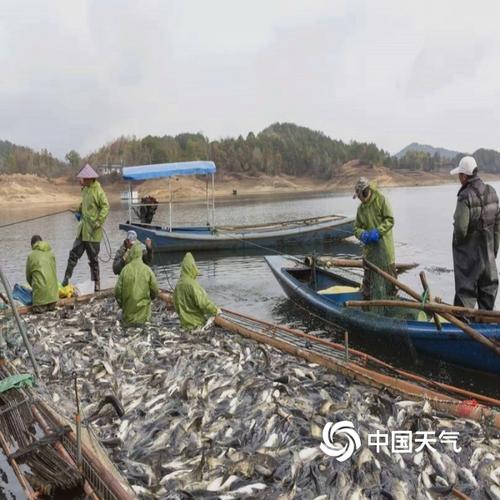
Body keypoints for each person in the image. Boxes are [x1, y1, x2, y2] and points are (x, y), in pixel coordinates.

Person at [450, 156, 500, 310]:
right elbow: (497, 226)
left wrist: (460, 248)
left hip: (469, 259)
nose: (459, 178)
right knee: (488, 293)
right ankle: (486, 329)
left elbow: (460, 229)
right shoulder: (492, 192)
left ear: (465, 176)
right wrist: (494, 251)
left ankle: (463, 330)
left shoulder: (465, 196)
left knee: (466, 294)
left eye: (459, 175)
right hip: (489, 258)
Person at [62, 164, 110, 292]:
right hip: (82, 231)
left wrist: (99, 222)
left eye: (83, 178)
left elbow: (106, 207)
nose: (81, 180)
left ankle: (96, 283)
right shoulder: (85, 190)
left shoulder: (98, 191)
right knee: (73, 254)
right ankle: (66, 278)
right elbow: (83, 204)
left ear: (90, 178)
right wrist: (77, 211)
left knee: (93, 259)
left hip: (93, 232)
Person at [353, 177, 396, 303]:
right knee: (368, 288)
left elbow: (390, 220)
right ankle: (367, 308)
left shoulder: (381, 200)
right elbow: (356, 228)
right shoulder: (360, 209)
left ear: (365, 192)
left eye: (360, 195)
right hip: (370, 254)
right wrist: (363, 234)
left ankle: (390, 306)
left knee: (389, 286)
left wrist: (378, 231)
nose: (359, 199)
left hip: (385, 252)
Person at [114, 242, 159, 325]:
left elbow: (117, 292)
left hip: (128, 315)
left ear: (131, 254)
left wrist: (122, 305)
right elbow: (155, 291)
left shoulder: (124, 270)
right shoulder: (147, 270)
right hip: (144, 316)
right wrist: (149, 299)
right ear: (141, 254)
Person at [173, 252, 220, 330]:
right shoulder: (193, 284)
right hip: (197, 324)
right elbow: (204, 303)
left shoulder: (178, 284)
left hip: (184, 325)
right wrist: (216, 310)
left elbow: (176, 305)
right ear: (192, 267)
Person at [26, 235, 58, 313]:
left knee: (38, 310)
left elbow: (28, 277)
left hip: (40, 301)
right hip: (54, 298)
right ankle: (50, 304)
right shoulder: (51, 253)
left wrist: (34, 287)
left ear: (32, 245)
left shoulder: (31, 256)